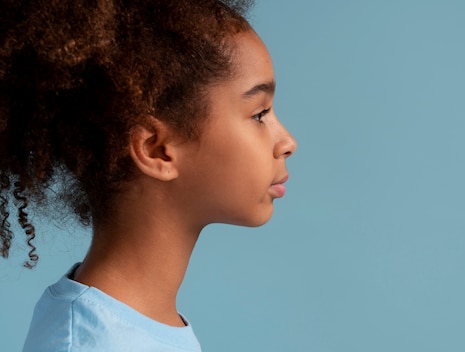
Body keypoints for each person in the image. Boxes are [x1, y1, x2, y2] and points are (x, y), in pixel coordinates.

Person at [0, 0, 297, 350]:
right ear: (157, 150)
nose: (288, 142)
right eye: (260, 114)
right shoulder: (89, 344)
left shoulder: (139, 326)